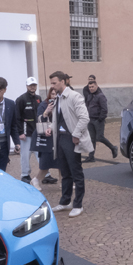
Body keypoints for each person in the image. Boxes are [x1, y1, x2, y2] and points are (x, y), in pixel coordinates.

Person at [47, 71, 91, 216]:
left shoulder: (74, 96)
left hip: (71, 139)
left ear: (63, 82)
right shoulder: (57, 98)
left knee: (76, 172)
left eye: (54, 83)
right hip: (59, 139)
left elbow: (84, 118)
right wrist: (51, 129)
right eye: (51, 83)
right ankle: (65, 201)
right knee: (65, 172)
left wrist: (76, 134)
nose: (52, 86)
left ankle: (78, 204)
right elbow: (59, 119)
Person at [82, 77, 118, 162]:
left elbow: (104, 109)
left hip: (98, 120)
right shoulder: (89, 96)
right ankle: (91, 157)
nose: (91, 88)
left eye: (92, 87)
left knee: (100, 137)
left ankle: (113, 148)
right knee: (92, 139)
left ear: (96, 86)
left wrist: (100, 119)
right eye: (90, 87)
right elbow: (87, 106)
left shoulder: (101, 96)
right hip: (90, 120)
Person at [14, 78, 42, 182]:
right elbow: (17, 117)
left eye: (34, 85)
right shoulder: (21, 99)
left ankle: (45, 174)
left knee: (41, 154)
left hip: (37, 132)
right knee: (25, 156)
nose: (32, 87)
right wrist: (20, 132)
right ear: (26, 86)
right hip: (25, 134)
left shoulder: (38, 98)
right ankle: (25, 175)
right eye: (30, 85)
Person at [31, 86, 59, 187]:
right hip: (46, 139)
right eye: (52, 94)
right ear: (49, 95)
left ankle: (63, 183)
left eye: (56, 94)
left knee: (61, 162)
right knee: (46, 163)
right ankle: (36, 180)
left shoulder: (60, 104)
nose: (54, 96)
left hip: (57, 137)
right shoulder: (43, 104)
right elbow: (39, 119)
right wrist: (46, 112)